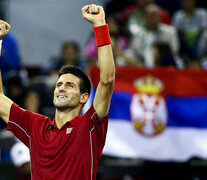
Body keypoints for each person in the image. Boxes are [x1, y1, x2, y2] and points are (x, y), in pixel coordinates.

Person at [0, 4, 115, 180]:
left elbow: (106, 81)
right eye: (59, 84)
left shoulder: (90, 127)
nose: (61, 87)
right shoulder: (35, 126)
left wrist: (100, 25)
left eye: (70, 85)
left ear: (84, 97)